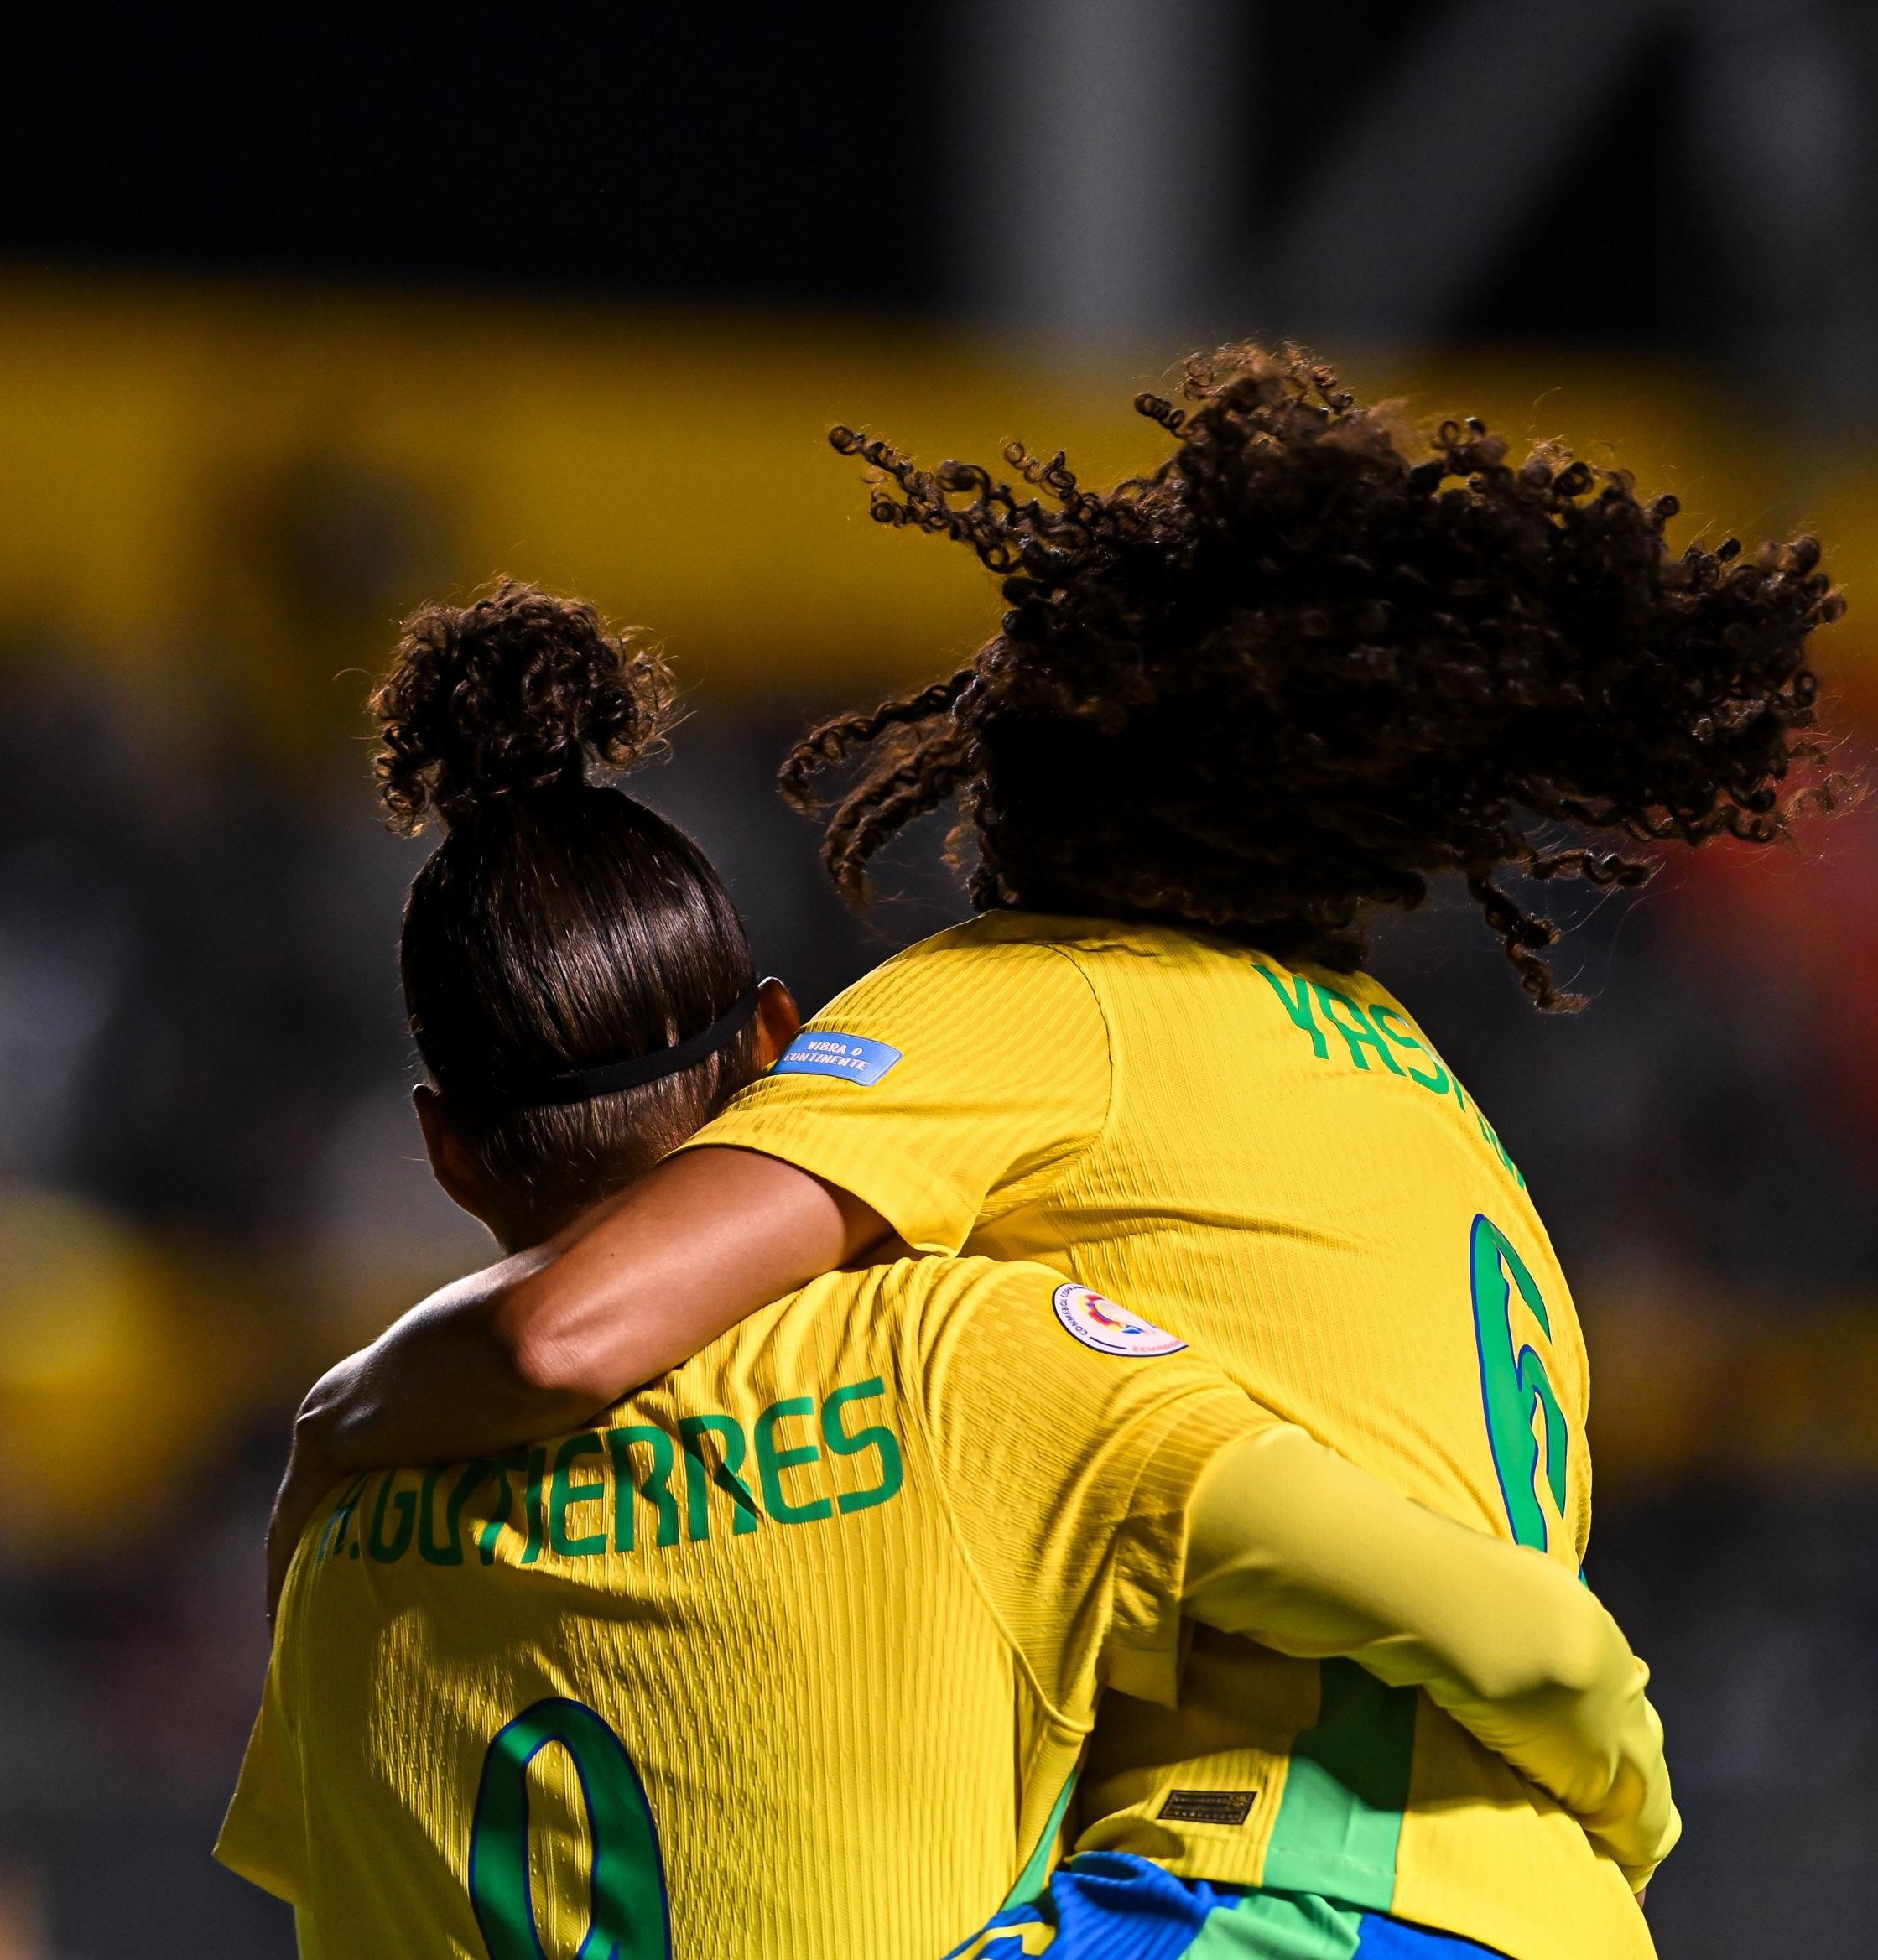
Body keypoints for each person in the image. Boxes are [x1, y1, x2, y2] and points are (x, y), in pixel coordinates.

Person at [268, 345, 1839, 1952]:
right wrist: (1620, 1792)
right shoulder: (1413, 1087)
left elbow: (572, 1323)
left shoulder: (1036, 1000)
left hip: (1276, 1890)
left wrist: (341, 1421)